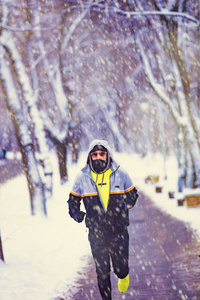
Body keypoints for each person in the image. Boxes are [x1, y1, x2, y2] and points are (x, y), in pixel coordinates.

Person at [67, 139, 138, 300]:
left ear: (108, 155)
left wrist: (125, 207)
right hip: (96, 232)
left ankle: (123, 274)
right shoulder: (82, 177)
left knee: (120, 268)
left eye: (102, 154)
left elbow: (133, 195)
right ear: (90, 157)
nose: (98, 157)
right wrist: (76, 214)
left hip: (118, 230)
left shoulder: (120, 173)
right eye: (95, 154)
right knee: (102, 271)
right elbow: (73, 201)